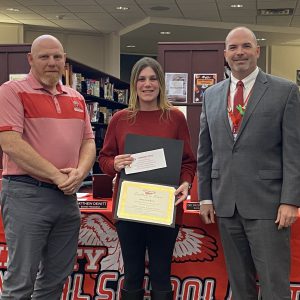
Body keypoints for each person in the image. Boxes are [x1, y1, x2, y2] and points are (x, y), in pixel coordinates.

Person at [197, 26, 300, 300]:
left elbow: (294, 151)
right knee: (239, 284)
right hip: (226, 206)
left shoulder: (285, 91)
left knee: (274, 285)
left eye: (245, 46)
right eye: (233, 48)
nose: (239, 52)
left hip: (269, 207)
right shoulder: (211, 95)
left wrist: (291, 200)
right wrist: (205, 197)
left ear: (257, 51)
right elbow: (205, 151)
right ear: (225, 55)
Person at [0, 35, 96, 299]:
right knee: (21, 280)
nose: (52, 62)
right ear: (31, 59)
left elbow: (89, 141)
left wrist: (79, 173)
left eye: (57, 56)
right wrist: (57, 175)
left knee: (56, 277)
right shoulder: (12, 91)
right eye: (44, 57)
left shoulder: (76, 98)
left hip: (66, 197)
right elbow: (10, 142)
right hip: (26, 193)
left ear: (64, 60)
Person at [99, 57, 196, 300]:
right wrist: (115, 164)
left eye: (153, 79)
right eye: (141, 79)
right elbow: (104, 159)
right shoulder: (120, 119)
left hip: (165, 208)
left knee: (161, 274)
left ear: (161, 83)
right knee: (132, 274)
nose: (147, 84)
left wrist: (186, 183)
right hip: (129, 209)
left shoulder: (175, 118)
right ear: (134, 84)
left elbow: (188, 161)